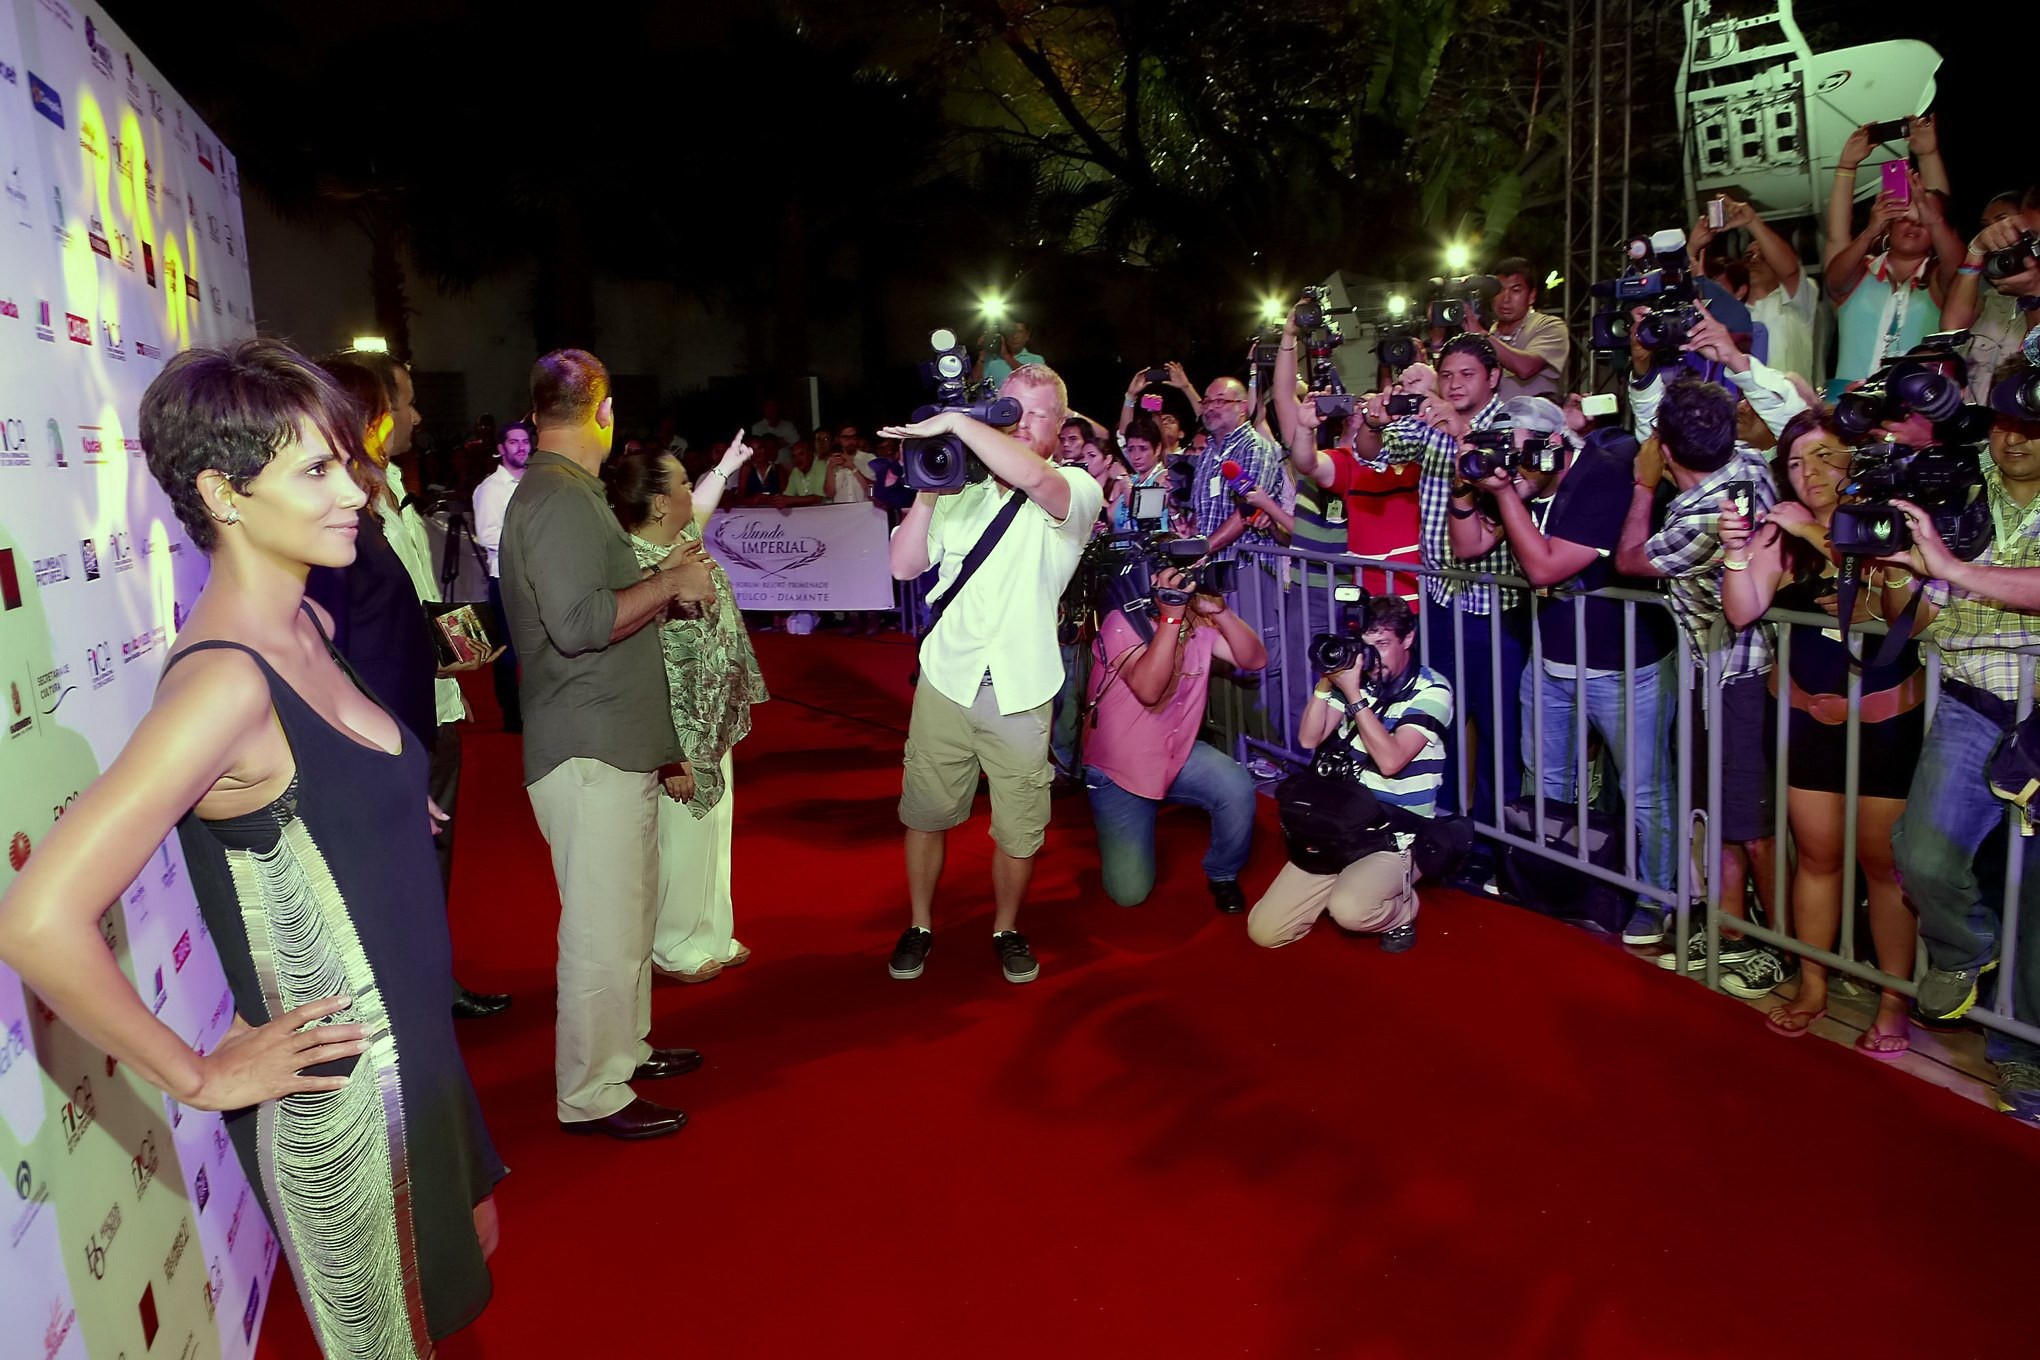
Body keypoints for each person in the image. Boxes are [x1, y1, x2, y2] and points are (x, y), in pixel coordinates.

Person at [0, 339, 505, 1356]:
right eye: (316, 470)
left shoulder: (308, 620)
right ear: (222, 494)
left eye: (346, 462)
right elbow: (36, 918)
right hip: (348, 1107)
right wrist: (196, 1074)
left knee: (469, 1283)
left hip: (429, 1061)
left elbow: (320, 788)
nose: (354, 493)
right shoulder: (223, 684)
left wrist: (394, 803)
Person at [499, 348, 718, 1141]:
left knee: (624, 918)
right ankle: (593, 1091)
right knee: (600, 930)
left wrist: (662, 594)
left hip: (606, 742)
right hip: (585, 747)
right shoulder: (556, 500)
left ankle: (625, 1050)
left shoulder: (570, 494)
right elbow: (580, 623)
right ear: (603, 407)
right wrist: (666, 586)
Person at [881, 362, 1103, 985]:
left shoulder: (1075, 488)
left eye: (1038, 415)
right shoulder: (962, 492)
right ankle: (921, 923)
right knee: (925, 813)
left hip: (1022, 690)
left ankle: (1006, 927)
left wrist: (951, 421)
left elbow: (1032, 477)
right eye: (1010, 410)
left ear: (1062, 426)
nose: (1023, 425)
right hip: (946, 681)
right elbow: (904, 566)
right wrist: (927, 483)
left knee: (1019, 827)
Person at [306, 354, 512, 1021]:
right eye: (406, 402)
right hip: (390, 719)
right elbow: (349, 637)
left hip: (437, 703)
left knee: (435, 860)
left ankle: (433, 981)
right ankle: (409, 996)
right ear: (372, 412)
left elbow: (410, 603)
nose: (418, 416)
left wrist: (458, 645)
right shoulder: (344, 510)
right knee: (399, 870)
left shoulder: (394, 484)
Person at [1717, 409, 1921, 1054]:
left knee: (1885, 868)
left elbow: (1905, 618)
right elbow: (1743, 608)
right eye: (1798, 463)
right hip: (1806, 719)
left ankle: (1892, 1002)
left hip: (1885, 722)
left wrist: (1811, 530)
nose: (1810, 474)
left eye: (1826, 456)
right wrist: (1732, 551)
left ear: (1854, 457)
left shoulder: (1888, 520)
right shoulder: (1781, 532)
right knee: (1817, 857)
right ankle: (1814, 985)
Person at [1447, 397, 1681, 942]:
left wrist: (1504, 492)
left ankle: (1654, 897)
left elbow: (1544, 566)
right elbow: (1468, 546)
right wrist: (1467, 488)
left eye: (1519, 451)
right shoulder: (1526, 487)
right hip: (1551, 660)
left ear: (1553, 444)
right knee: (1546, 781)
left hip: (1625, 666)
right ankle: (1551, 881)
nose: (1511, 463)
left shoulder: (1598, 477)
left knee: (1645, 789)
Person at [1878, 369, 2040, 1122]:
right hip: (1973, 701)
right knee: (1923, 855)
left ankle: (2024, 1061)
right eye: (2005, 421)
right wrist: (1901, 576)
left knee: (2038, 895)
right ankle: (1969, 949)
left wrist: (1953, 570)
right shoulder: (1956, 484)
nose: (2014, 437)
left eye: (2032, 428)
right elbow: (1903, 619)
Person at [1615, 374, 1787, 998]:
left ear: (1664, 447)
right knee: (1721, 813)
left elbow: (1630, 557)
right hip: (1720, 672)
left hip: (1736, 676)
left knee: (1752, 823)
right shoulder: (1747, 463)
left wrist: (1641, 483)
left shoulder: (1701, 514)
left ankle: (1783, 946)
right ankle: (1735, 933)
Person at [605, 439, 769, 983]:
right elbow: (635, 669)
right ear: (656, 503)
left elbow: (702, 504)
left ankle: (711, 931)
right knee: (680, 839)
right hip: (678, 730)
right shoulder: (634, 570)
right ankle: (673, 944)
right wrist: (666, 754)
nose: (687, 490)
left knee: (714, 830)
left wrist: (724, 465)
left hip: (714, 716)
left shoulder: (681, 541)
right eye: (677, 482)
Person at [1377, 334, 1526, 832]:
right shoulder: (1431, 421)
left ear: (1494, 378)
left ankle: (1494, 845)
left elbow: (1500, 492)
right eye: (1448, 375)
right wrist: (1377, 415)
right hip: (1440, 600)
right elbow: (1376, 448)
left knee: (1497, 732)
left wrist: (1458, 426)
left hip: (1494, 607)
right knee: (1439, 719)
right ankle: (1444, 831)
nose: (1455, 384)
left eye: (1467, 375)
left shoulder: (1511, 425)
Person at [1247, 595, 1452, 951]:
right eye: (1366, 646)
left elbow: (1391, 761)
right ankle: (1353, 881)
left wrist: (1354, 694)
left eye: (1384, 644)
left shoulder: (1432, 690)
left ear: (1408, 639)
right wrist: (1328, 681)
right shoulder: (1358, 680)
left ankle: (1403, 910)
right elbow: (1309, 737)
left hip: (1396, 832)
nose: (1373, 657)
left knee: (1351, 910)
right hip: (1342, 824)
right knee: (1265, 931)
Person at [1082, 566, 1265, 909]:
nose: (1178, 586)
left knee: (1235, 786)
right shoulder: (1121, 623)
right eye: (1166, 579)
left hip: (1175, 753)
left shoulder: (1199, 623)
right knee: (1129, 894)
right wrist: (1170, 618)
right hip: (1122, 768)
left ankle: (1223, 873)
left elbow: (1254, 659)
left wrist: (1221, 612)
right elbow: (1150, 690)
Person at [1824, 117, 1962, 394]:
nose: (1914, 224)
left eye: (1923, 221)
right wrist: (1847, 166)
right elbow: (1836, 240)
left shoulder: (1940, 281)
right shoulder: (1859, 272)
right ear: (1888, 223)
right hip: (1845, 407)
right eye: (1904, 218)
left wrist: (1928, 155)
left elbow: (1955, 257)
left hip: (1913, 413)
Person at [1944, 188, 2040, 406]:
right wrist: (1976, 249)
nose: (1995, 233)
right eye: (1986, 227)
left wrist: (2033, 294)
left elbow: (2034, 356)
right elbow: (1951, 327)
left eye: (2002, 223)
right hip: (1978, 420)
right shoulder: (1992, 292)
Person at [473, 418, 533, 732]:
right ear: (500, 449)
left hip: (538, 577)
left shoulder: (535, 482)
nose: (521, 447)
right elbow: (487, 536)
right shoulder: (490, 489)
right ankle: (512, 716)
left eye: (525, 441)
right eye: (514, 442)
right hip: (506, 579)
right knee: (508, 653)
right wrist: (529, 542)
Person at [1466, 256, 1570, 401]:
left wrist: (1481, 335)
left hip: (1535, 422)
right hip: (1491, 422)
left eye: (1515, 290)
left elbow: (1525, 368)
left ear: (1531, 296)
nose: (1506, 298)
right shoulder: (1489, 334)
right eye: (1499, 290)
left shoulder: (1550, 325)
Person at [973, 317, 1044, 389]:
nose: (1015, 336)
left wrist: (1006, 356)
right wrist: (981, 357)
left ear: (1027, 336)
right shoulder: (991, 360)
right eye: (1011, 332)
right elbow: (972, 385)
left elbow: (1035, 381)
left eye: (1020, 332)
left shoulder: (1037, 360)